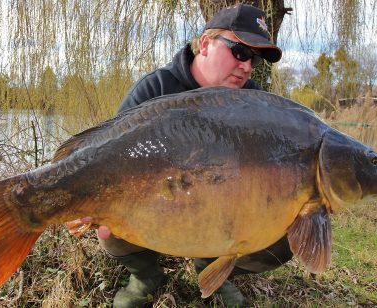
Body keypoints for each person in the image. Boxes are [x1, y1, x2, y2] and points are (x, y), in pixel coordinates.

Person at [66, 4, 293, 307]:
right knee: (109, 219)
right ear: (204, 44)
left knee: (288, 233)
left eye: (254, 59)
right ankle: (146, 278)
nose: (247, 66)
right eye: (239, 51)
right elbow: (108, 157)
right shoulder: (155, 89)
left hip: (221, 214)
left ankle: (216, 272)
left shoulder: (254, 105)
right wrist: (79, 197)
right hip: (157, 209)